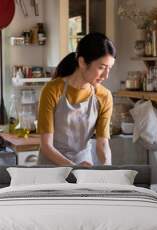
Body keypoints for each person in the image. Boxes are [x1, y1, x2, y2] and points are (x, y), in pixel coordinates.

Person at [37, 32, 116, 166]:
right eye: (101, 67)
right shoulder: (52, 90)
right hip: (51, 169)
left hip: (83, 165)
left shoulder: (104, 96)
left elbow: (102, 143)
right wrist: (75, 168)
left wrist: (106, 169)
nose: (106, 75)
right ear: (82, 62)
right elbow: (46, 146)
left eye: (109, 68)